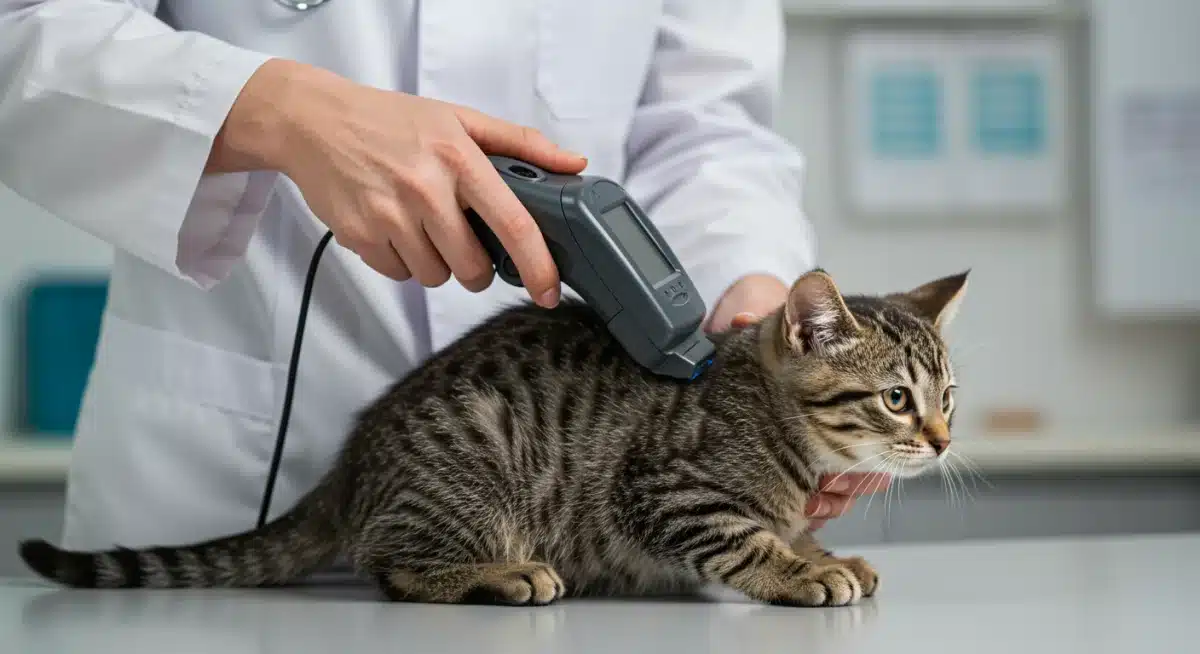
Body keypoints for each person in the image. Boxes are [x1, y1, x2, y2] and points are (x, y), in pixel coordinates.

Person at [0, 0, 889, 553]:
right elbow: (23, 28)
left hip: (579, 517)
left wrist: (758, 310)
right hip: (225, 482)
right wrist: (269, 106)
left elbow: (707, 125)